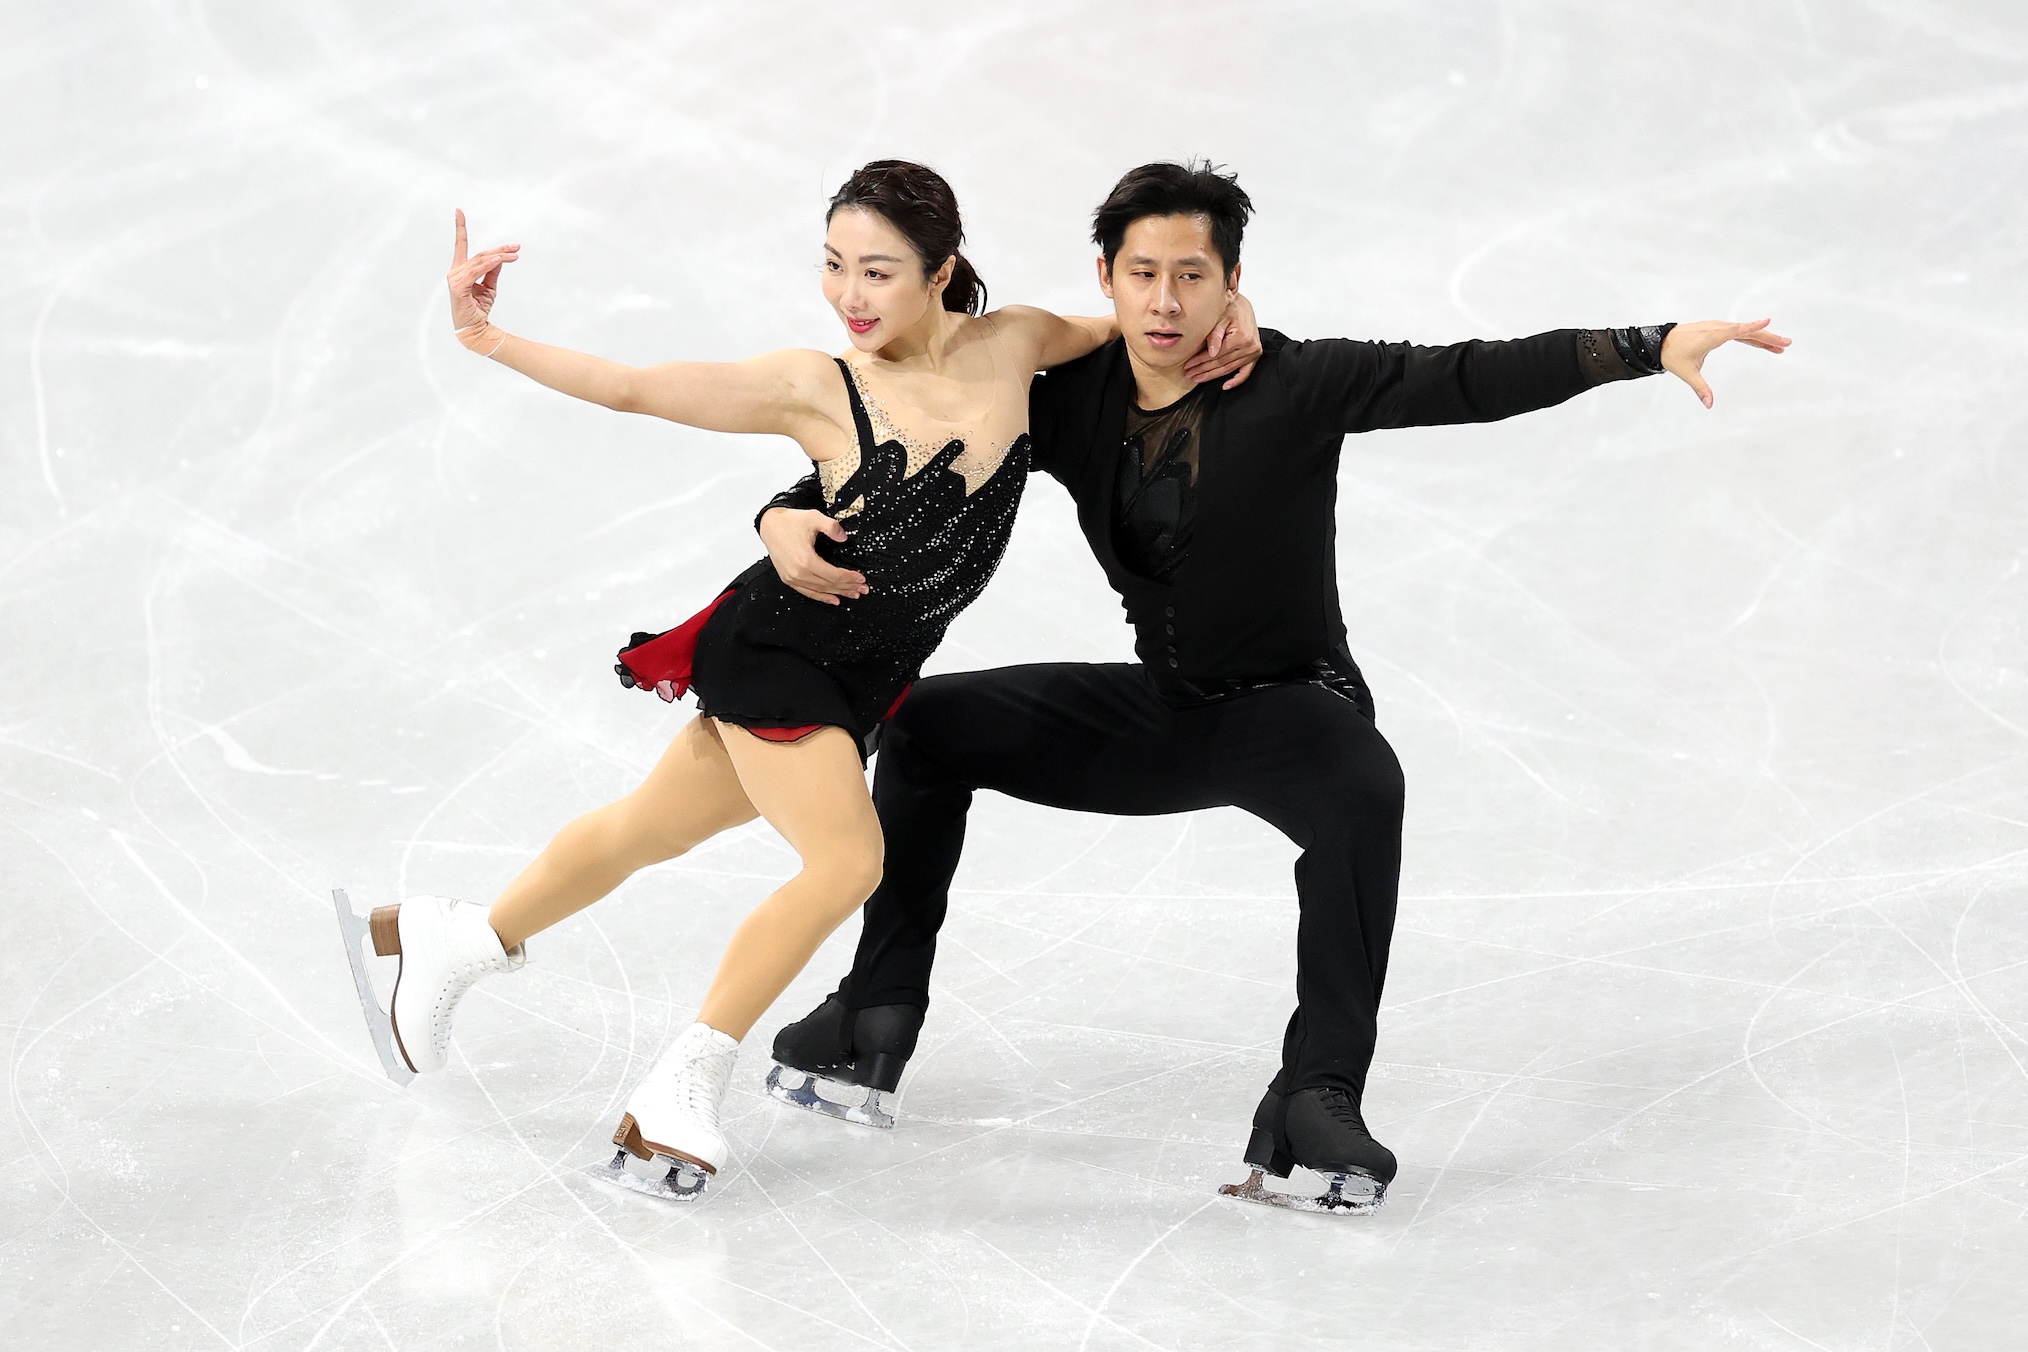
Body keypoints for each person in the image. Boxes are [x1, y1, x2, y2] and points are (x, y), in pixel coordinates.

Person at [756, 160, 1790, 1214]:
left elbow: (1469, 374)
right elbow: (915, 448)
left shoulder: (1297, 382)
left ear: (1230, 280)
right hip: (1164, 709)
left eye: (1192, 276)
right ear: (1105, 278)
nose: (1166, 301)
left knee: (1363, 786)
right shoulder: (1063, 401)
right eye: (1143, 273)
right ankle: (875, 1012)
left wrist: (1649, 346)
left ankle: (1317, 1089)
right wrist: (786, 510)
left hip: (1292, 706)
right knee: (926, 726)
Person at [331, 160, 1262, 1201]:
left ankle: (452, 937)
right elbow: (638, 388)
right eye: (833, 266)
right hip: (780, 655)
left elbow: (1140, 328)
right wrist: (486, 337)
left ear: (941, 270)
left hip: (858, 679)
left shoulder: (1017, 343)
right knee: (847, 859)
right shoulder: (821, 386)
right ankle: (678, 1090)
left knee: (648, 826)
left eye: (877, 271)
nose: (850, 295)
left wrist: (1237, 308)